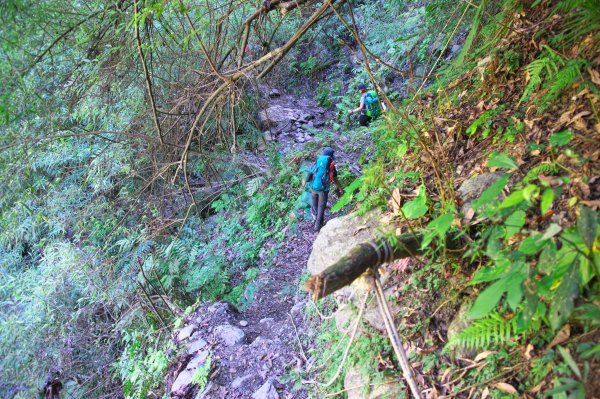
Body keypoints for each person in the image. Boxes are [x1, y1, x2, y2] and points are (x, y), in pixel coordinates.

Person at [305, 147, 343, 232]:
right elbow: (335, 179)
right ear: (331, 156)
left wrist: (306, 183)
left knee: (315, 204)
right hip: (323, 190)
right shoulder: (331, 165)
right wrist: (340, 188)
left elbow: (311, 173)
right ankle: (318, 226)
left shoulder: (318, 161)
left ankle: (316, 219)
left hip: (313, 187)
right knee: (321, 207)